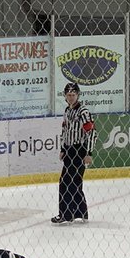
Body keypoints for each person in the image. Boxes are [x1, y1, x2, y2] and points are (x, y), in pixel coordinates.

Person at [52, 82, 96, 224]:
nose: (71, 97)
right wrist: (63, 149)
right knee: (72, 182)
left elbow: (92, 133)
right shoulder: (67, 111)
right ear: (65, 96)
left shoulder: (83, 112)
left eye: (73, 95)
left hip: (80, 150)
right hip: (70, 150)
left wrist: (89, 152)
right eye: (68, 95)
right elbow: (65, 131)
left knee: (68, 182)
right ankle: (80, 212)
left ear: (78, 95)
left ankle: (66, 214)